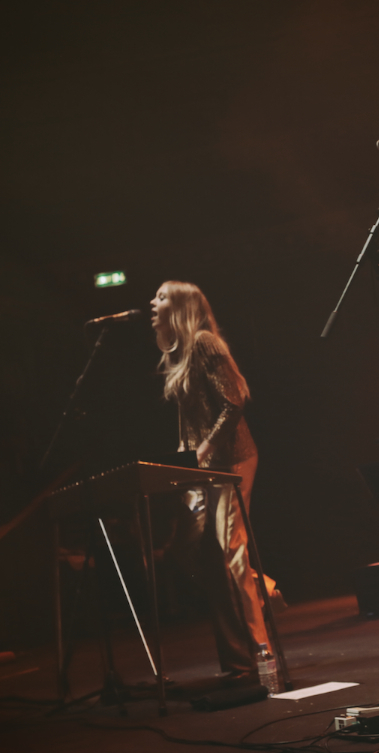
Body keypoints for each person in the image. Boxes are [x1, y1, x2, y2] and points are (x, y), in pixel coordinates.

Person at [150, 280, 272, 679]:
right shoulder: (178, 353)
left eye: (162, 297)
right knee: (188, 550)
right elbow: (190, 420)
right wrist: (187, 463)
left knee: (230, 554)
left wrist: (203, 452)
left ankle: (260, 647)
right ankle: (264, 590)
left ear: (182, 306)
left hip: (233, 460)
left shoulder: (205, 342)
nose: (153, 302)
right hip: (203, 467)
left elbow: (233, 402)